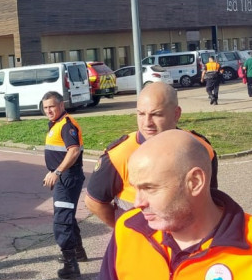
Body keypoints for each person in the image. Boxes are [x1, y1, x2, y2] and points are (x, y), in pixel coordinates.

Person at [84, 130, 252, 280]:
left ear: (195, 182)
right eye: (136, 188)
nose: (138, 201)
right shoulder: (130, 231)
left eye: (150, 188)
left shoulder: (247, 251)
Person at [85, 82, 218, 228]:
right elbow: (94, 202)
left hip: (189, 244)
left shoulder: (201, 149)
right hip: (139, 247)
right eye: (141, 114)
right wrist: (125, 232)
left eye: (156, 114)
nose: (147, 123)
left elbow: (209, 199)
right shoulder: (119, 155)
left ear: (176, 114)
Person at [41, 91, 86, 279]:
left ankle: (71, 265)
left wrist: (58, 171)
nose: (48, 111)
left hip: (67, 177)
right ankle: (78, 252)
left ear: (61, 105)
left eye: (52, 106)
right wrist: (53, 170)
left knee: (62, 220)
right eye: (45, 108)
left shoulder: (67, 125)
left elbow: (74, 151)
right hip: (63, 176)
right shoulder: (57, 124)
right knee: (67, 216)